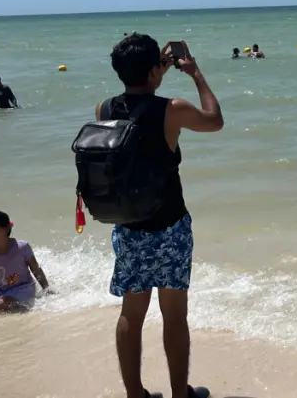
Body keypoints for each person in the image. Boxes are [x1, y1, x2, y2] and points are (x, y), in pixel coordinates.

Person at [102, 33, 222, 398]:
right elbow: (215, 120)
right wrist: (196, 73)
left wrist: (154, 75)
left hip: (129, 228)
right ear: (155, 70)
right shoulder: (173, 109)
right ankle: (179, 394)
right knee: (174, 315)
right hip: (169, 228)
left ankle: (135, 394)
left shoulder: (104, 109)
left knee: (131, 314)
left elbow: (139, 107)